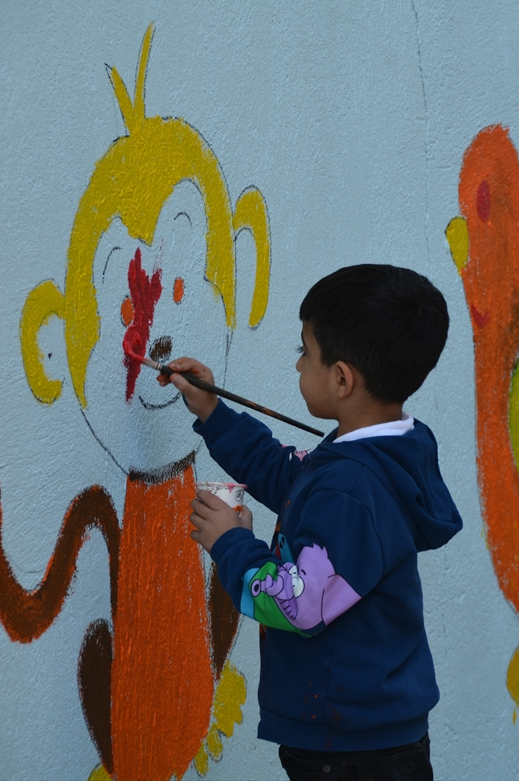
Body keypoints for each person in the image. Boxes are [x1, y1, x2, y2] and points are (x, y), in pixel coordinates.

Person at [161, 264, 462, 781]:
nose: (298, 365)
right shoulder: (383, 448)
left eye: (304, 351)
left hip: (350, 752)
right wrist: (214, 411)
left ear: (342, 379)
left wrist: (234, 544)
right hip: (370, 734)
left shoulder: (352, 488)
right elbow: (290, 478)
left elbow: (300, 605)